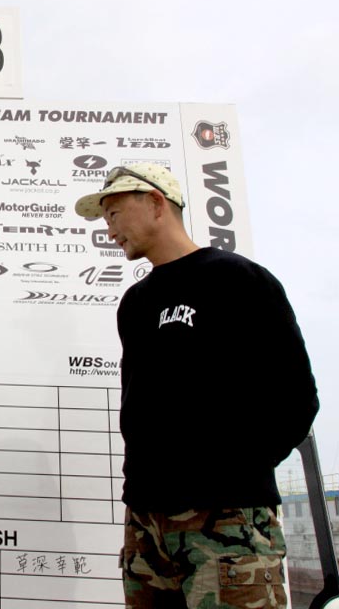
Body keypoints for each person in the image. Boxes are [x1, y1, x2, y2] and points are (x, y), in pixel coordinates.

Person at [74, 163, 319, 609]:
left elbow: (297, 398)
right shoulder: (135, 302)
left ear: (155, 203)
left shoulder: (238, 279)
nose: (109, 230)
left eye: (114, 214)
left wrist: (232, 473)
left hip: (226, 520)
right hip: (146, 524)